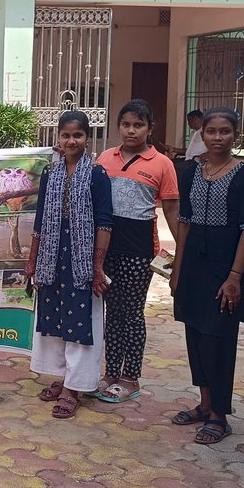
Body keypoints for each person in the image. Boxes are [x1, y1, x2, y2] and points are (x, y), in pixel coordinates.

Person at [169, 107, 244, 445]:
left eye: (225, 131)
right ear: (202, 134)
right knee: (195, 333)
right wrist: (177, 269)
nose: (218, 137)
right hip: (193, 263)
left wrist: (235, 275)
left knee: (218, 338)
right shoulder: (191, 172)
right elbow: (184, 222)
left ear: (236, 135)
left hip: (226, 265)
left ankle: (220, 414)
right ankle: (205, 404)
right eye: (211, 131)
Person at [25, 111, 113, 419]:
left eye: (77, 135)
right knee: (54, 318)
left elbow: (104, 222)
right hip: (53, 255)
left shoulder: (97, 174)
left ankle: (75, 388)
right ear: (58, 138)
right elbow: (39, 219)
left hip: (82, 257)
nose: (71, 141)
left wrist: (97, 267)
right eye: (66, 135)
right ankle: (63, 377)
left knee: (80, 320)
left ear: (87, 138)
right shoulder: (50, 172)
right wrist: (33, 261)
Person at [94, 99, 180, 403]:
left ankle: (130, 377)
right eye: (126, 124)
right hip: (106, 249)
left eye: (138, 125)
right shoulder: (105, 158)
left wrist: (182, 250)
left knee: (131, 314)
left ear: (149, 128)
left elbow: (171, 208)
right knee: (111, 313)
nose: (131, 130)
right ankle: (110, 374)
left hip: (139, 251)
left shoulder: (162, 164)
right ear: (119, 126)